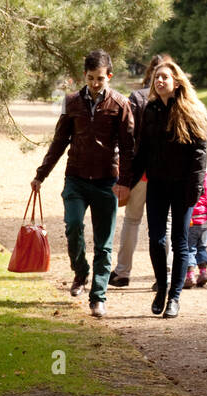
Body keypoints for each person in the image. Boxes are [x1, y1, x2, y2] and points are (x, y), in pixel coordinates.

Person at [31, 50, 134, 318]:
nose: (95, 83)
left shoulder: (121, 104)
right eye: (90, 78)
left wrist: (125, 183)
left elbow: (128, 148)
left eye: (100, 78)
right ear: (84, 76)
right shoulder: (71, 102)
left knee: (104, 243)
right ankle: (81, 272)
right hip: (75, 178)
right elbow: (59, 142)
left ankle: (98, 296)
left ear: (109, 76)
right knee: (73, 226)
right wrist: (41, 174)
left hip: (106, 182)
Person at [129, 57, 207, 318]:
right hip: (158, 184)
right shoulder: (150, 110)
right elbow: (141, 151)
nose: (160, 81)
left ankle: (175, 297)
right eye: (156, 78)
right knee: (156, 238)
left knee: (180, 241)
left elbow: (199, 154)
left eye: (165, 77)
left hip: (183, 186)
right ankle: (161, 288)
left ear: (176, 82)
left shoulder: (192, 110)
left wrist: (195, 189)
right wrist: (126, 182)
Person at [110, 54, 167, 289]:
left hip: (140, 170)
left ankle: (123, 272)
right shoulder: (173, 100)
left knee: (132, 221)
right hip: (163, 172)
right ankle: (164, 274)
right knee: (165, 224)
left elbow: (127, 137)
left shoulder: (137, 97)